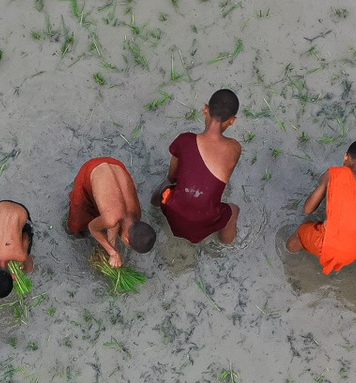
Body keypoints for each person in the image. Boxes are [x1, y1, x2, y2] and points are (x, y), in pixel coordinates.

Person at [158, 89, 242, 244]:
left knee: (165, 186)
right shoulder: (234, 148)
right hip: (204, 221)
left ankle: (153, 206)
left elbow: (172, 174)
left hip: (173, 212)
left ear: (205, 109)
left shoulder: (184, 140)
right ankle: (226, 244)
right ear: (232, 120)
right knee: (234, 210)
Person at [288, 140, 356, 274]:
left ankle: (288, 262)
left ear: (346, 157)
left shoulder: (333, 174)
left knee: (298, 235)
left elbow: (308, 209)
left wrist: (325, 184)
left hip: (328, 245)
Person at [67, 157, 155, 268]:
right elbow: (92, 227)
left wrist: (111, 246)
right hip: (92, 169)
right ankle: (72, 232)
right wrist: (113, 253)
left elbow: (116, 222)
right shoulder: (111, 219)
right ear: (126, 240)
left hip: (115, 165)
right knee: (76, 223)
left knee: (108, 215)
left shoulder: (137, 213)